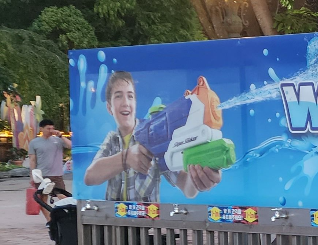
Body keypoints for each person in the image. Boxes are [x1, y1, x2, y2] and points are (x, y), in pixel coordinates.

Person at [83, 71, 221, 202]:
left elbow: (186, 186)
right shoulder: (112, 138)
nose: (126, 102)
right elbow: (90, 177)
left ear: (135, 103)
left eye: (130, 96)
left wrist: (199, 173)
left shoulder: (155, 133)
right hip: (112, 218)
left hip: (148, 218)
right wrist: (127, 158)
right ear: (109, 107)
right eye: (118, 96)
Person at [28, 120, 71, 192]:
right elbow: (32, 160)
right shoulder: (34, 142)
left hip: (56, 175)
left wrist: (61, 136)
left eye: (52, 128)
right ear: (41, 129)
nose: (51, 131)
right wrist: (32, 175)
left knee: (62, 194)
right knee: (43, 195)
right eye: (48, 129)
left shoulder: (58, 140)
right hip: (41, 174)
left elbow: (71, 146)